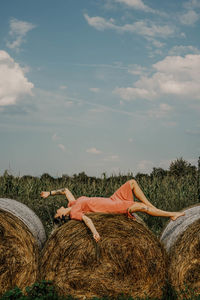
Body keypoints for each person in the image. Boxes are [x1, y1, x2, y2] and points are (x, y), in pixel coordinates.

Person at [41, 179, 185, 242]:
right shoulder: (74, 213)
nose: (57, 209)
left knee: (132, 182)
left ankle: (154, 208)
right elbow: (88, 219)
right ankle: (171, 215)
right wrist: (95, 233)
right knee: (142, 207)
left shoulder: (72, 203)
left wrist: (49, 192)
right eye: (56, 212)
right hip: (112, 208)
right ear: (61, 217)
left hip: (112, 199)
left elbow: (65, 190)